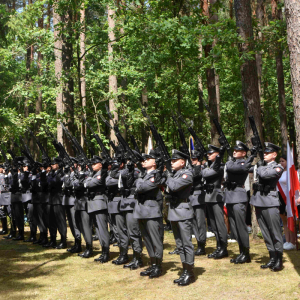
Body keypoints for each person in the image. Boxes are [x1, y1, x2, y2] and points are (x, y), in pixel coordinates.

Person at [250, 142, 284, 271]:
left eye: (268, 153)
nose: (265, 154)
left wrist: (259, 167)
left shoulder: (278, 167)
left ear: (274, 155)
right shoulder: (262, 166)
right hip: (259, 202)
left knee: (275, 232)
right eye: (264, 153)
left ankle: (279, 260)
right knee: (265, 232)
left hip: (270, 203)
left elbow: (264, 175)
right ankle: (272, 257)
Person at [165, 149, 195, 286]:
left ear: (182, 162)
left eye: (174, 160)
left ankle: (190, 272)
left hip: (183, 211)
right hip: (174, 211)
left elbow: (174, 186)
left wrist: (168, 175)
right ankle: (184, 270)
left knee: (186, 243)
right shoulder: (175, 174)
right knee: (179, 244)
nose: (172, 162)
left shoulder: (187, 174)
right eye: (171, 160)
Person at [134, 149, 164, 279]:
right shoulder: (144, 175)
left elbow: (141, 188)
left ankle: (158, 265)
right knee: (146, 239)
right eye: (143, 160)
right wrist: (140, 181)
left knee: (155, 240)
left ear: (155, 163)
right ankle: (152, 263)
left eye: (148, 159)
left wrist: (139, 181)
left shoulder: (156, 174)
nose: (144, 161)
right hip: (141, 211)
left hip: (151, 211)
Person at [224, 141, 255, 264]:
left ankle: (246, 254)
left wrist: (251, 157)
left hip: (238, 196)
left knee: (241, 226)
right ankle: (241, 252)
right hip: (230, 196)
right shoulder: (233, 162)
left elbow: (236, 167)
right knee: (235, 227)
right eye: (234, 151)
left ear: (243, 153)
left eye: (237, 151)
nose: (234, 152)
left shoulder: (243, 163)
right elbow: (230, 165)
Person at [201, 145, 228, 259]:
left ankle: (223, 247)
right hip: (209, 197)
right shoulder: (210, 166)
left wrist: (219, 157)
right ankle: (218, 247)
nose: (208, 155)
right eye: (208, 153)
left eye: (210, 153)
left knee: (219, 223)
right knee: (213, 224)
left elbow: (208, 174)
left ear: (217, 155)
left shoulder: (220, 166)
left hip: (216, 197)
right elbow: (204, 173)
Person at [85, 155, 109, 261]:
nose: (92, 165)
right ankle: (103, 251)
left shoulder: (101, 174)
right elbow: (86, 183)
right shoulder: (93, 174)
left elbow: (91, 183)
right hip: (93, 204)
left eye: (95, 164)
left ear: (100, 165)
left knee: (102, 229)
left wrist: (87, 181)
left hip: (99, 203)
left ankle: (106, 252)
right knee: (98, 230)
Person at [47, 157, 67, 249]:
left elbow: (56, 182)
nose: (52, 165)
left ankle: (63, 240)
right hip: (52, 199)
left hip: (58, 199)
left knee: (60, 221)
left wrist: (50, 180)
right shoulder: (51, 173)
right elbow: (46, 182)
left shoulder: (62, 173)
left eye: (54, 164)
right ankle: (53, 239)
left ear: (58, 164)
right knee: (52, 221)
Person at [277, 155, 296, 250]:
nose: (281, 163)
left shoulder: (291, 172)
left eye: (283, 161)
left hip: (288, 198)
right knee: (284, 221)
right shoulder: (279, 172)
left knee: (290, 220)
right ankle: (287, 241)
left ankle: (293, 242)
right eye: (280, 161)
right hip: (279, 197)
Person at [189, 150, 206, 256]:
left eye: (194, 159)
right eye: (192, 159)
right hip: (191, 196)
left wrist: (198, 165)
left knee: (200, 223)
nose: (192, 161)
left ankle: (202, 245)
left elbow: (196, 175)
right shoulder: (190, 168)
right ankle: (198, 241)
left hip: (199, 196)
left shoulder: (201, 168)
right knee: (194, 222)